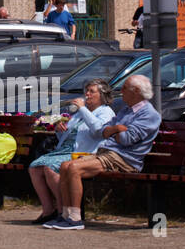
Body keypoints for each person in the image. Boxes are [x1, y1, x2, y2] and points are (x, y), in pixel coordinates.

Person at [46, 74, 161, 230]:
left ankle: (75, 218)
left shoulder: (149, 114)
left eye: (125, 88)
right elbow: (103, 131)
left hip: (125, 158)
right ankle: (65, 215)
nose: (121, 91)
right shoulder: (126, 111)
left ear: (136, 91)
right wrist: (116, 129)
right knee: (65, 166)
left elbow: (126, 139)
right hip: (108, 152)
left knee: (74, 168)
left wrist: (114, 130)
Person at [28, 79, 116, 224]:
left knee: (49, 167)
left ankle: (64, 212)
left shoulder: (106, 112)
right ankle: (49, 210)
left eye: (91, 91)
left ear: (102, 95)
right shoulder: (80, 114)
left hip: (84, 153)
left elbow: (98, 131)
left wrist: (82, 109)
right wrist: (59, 130)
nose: (87, 94)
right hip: (66, 150)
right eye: (86, 91)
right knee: (35, 167)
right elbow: (70, 136)